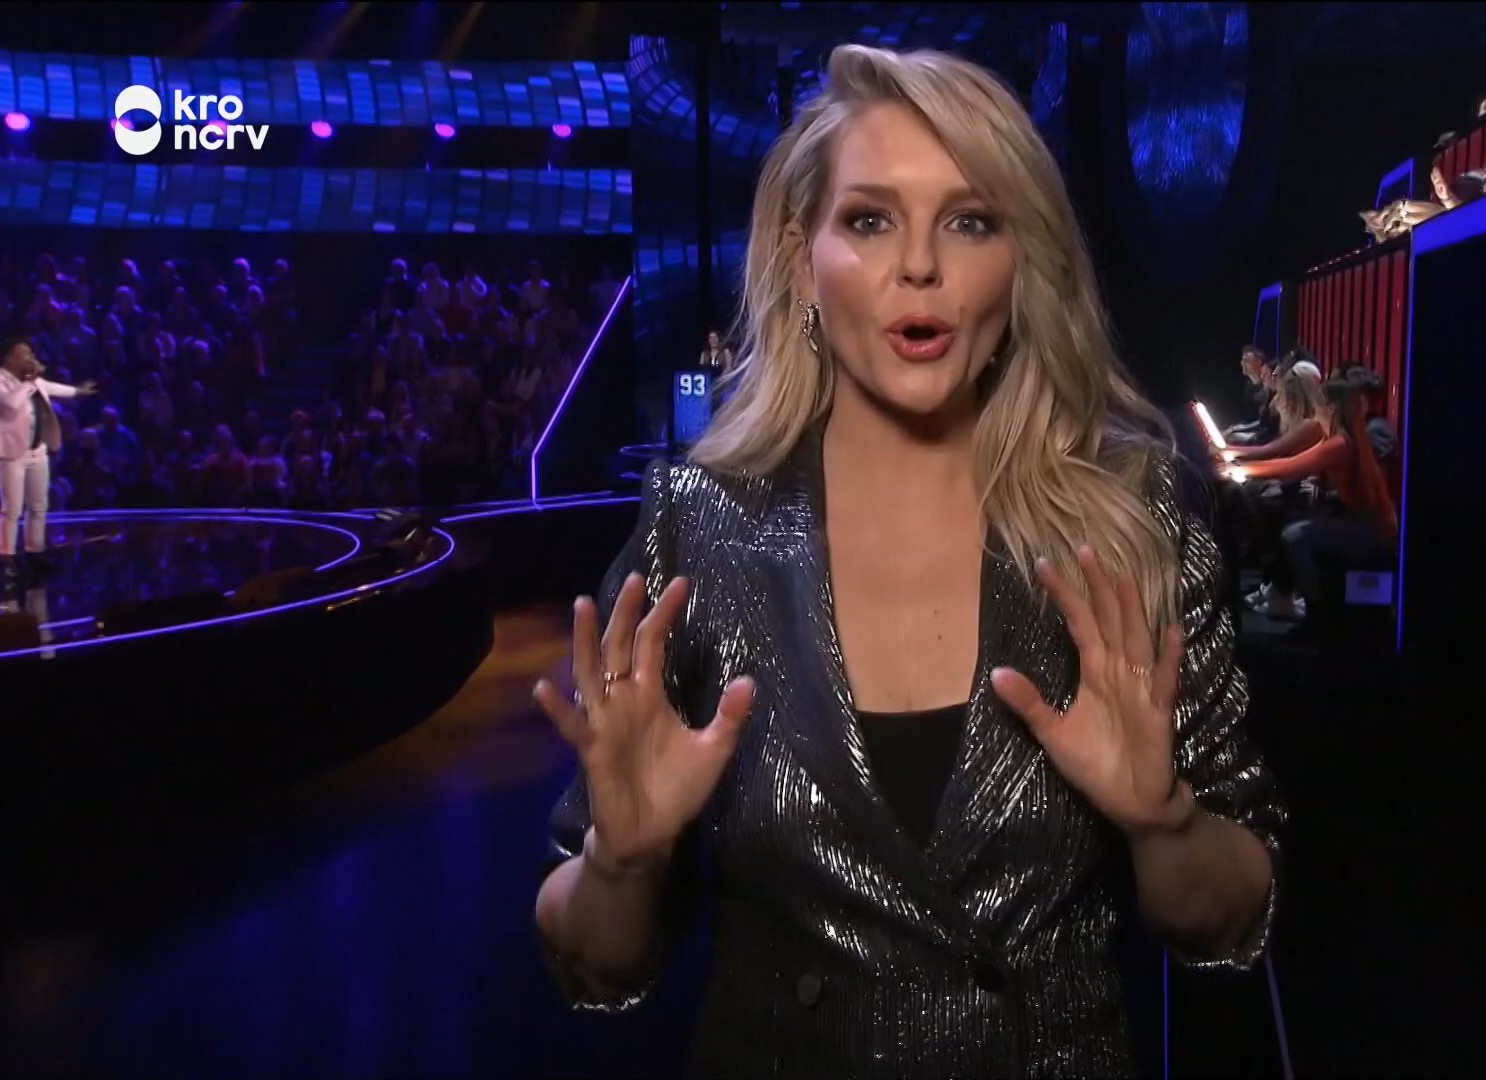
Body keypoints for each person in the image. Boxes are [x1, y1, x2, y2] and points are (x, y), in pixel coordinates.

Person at [531, 44, 1284, 1078]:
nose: (919, 265)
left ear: (1021, 263)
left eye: (969, 222)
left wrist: (1165, 825)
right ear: (800, 259)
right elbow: (593, 966)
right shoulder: (695, 533)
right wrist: (622, 863)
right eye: (870, 220)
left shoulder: (1129, 523)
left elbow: (1233, 919)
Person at [1225, 378, 1397, 621]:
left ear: (1331, 409)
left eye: (1318, 405)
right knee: (1290, 522)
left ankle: (1318, 613)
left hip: (1367, 529)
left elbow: (1291, 467)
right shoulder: (1337, 439)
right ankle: (1293, 599)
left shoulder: (1339, 444)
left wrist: (1238, 469)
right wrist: (1240, 466)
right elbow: (1289, 463)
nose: (1315, 411)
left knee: (1294, 536)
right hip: (1360, 521)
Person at [0, 337, 96, 586]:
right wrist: (30, 381)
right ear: (10, 358)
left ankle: (35, 555)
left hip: (37, 451)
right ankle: (7, 561)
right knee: (12, 510)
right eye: (25, 353)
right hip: (11, 453)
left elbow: (53, 387)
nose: (31, 357)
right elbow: (10, 405)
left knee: (38, 506)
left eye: (31, 353)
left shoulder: (31, 380)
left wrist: (78, 391)